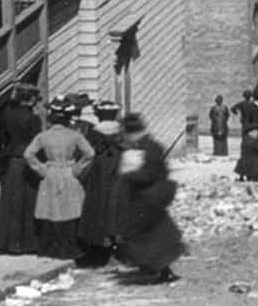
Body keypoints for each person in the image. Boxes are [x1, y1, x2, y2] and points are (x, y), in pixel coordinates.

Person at [115, 113, 186, 284]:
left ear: (130, 132)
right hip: (148, 198)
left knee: (149, 237)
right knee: (153, 236)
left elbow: (149, 175)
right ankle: (156, 269)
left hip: (147, 199)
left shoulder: (146, 149)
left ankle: (161, 271)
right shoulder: (148, 146)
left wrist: (128, 174)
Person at [24, 99, 95, 260]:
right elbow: (90, 153)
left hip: (50, 174)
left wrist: (41, 169)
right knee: (70, 210)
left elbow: (28, 154)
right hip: (69, 173)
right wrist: (77, 168)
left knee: (51, 209)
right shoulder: (75, 135)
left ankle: (49, 248)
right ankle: (71, 248)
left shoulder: (43, 136)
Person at [0, 85, 44, 255]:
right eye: (35, 100)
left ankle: (6, 243)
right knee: (28, 202)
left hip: (10, 161)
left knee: (10, 201)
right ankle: (28, 243)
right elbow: (36, 143)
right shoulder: (33, 118)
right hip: (27, 161)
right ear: (30, 100)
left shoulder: (6, 114)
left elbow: (3, 137)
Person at [77, 99, 125, 267]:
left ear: (98, 115)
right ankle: (118, 246)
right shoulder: (122, 132)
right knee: (117, 206)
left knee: (99, 205)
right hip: (120, 172)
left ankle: (100, 245)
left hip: (99, 174)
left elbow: (87, 154)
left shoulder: (93, 133)